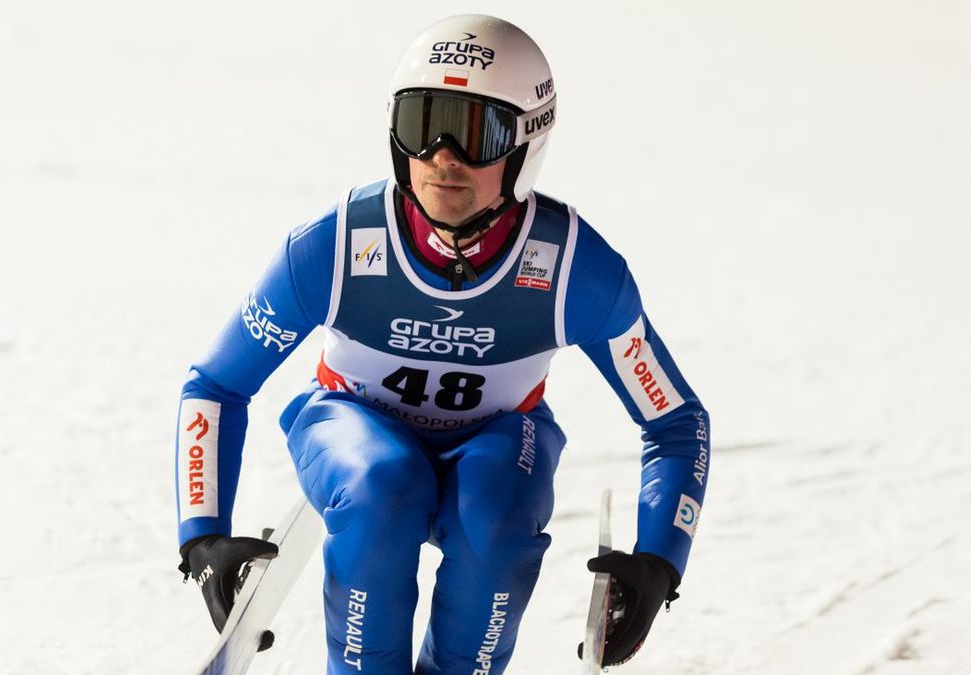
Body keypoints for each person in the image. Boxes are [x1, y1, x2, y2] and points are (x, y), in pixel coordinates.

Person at [175, 14, 710, 675]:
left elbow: (675, 420)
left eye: (476, 130)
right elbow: (216, 388)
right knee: (383, 486)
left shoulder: (574, 267)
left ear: (526, 144)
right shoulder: (336, 245)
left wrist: (660, 557)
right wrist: (201, 537)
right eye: (420, 123)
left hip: (496, 439)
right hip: (352, 425)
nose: (442, 155)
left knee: (498, 511)